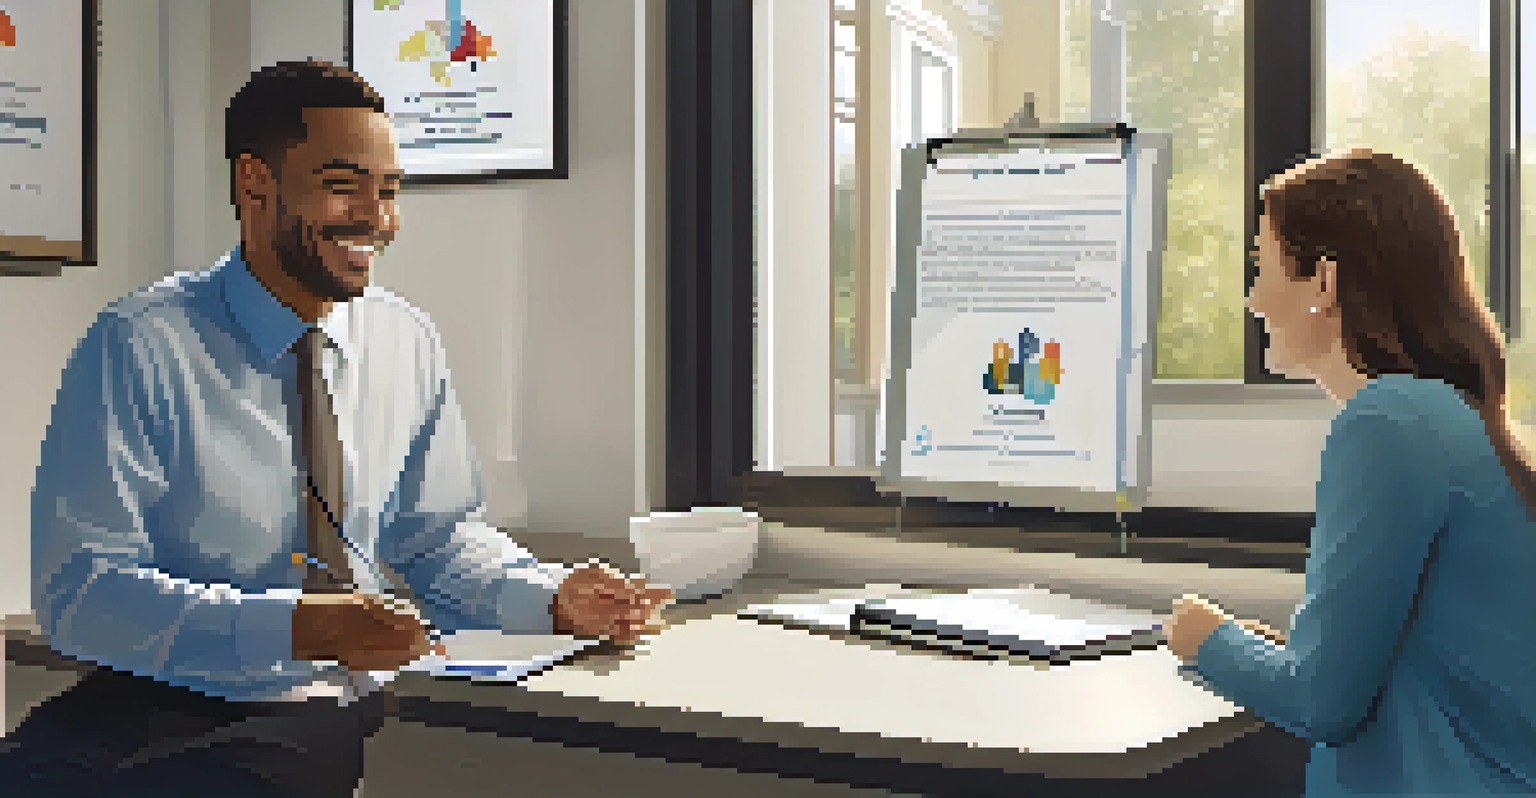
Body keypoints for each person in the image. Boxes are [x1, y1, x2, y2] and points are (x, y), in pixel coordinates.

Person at [0, 60, 671, 798]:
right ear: (254, 182)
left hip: (316, 714)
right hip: (149, 696)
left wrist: (550, 597)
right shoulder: (141, 344)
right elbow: (80, 592)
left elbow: (434, 539)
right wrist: (299, 626)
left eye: (389, 191)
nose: (378, 219)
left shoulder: (405, 341)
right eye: (345, 185)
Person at [1164, 150, 1536, 795]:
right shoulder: (1444, 415)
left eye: (1263, 266)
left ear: (1325, 283)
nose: (1253, 300)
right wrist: (1264, 652)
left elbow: (1321, 705)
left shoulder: (1387, 423)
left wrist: (1206, 640)